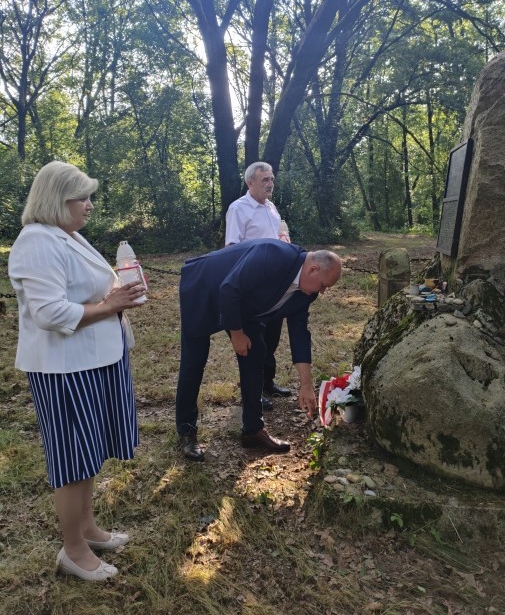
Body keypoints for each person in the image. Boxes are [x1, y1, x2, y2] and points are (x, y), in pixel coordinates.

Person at [8, 161, 146, 582]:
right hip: (65, 368)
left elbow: (87, 290)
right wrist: (110, 305)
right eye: (82, 198)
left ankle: (87, 529)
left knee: (89, 452)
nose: (90, 205)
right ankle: (72, 550)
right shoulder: (36, 241)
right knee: (72, 460)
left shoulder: (68, 235)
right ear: (56, 199)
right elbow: (50, 313)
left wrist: (118, 292)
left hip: (96, 360)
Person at [175, 239, 342, 461]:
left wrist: (306, 384)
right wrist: (236, 333)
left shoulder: (306, 292)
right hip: (204, 289)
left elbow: (300, 335)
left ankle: (253, 429)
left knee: (255, 358)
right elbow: (229, 287)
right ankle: (187, 431)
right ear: (313, 269)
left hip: (246, 306)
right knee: (194, 362)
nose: (322, 292)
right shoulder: (274, 254)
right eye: (323, 285)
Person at [225, 162, 292, 411]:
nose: (270, 183)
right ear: (250, 182)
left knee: (272, 336)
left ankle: (267, 382)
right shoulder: (238, 208)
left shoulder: (271, 208)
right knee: (254, 340)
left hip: (275, 284)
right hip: (252, 285)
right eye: (265, 179)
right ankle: (252, 391)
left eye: (271, 179)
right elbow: (232, 248)